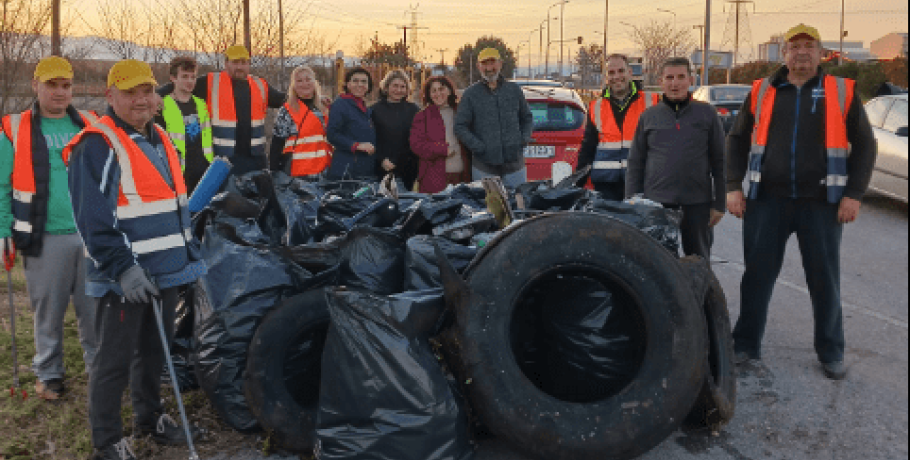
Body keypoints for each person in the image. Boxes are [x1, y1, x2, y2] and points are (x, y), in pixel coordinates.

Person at [65, 59, 206, 459]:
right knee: (114, 360)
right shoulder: (98, 144)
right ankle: (107, 441)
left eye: (146, 91)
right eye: (130, 93)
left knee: (154, 351)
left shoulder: (159, 137)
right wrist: (124, 269)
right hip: (125, 278)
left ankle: (151, 418)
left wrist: (186, 259)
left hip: (164, 272)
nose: (141, 100)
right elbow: (92, 220)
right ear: (110, 96)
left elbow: (172, 206)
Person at [726, 24, 877, 380]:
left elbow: (867, 146)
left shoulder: (840, 91)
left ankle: (831, 350)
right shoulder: (762, 90)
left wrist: (853, 194)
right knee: (757, 277)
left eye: (809, 46)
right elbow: (736, 139)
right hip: (767, 201)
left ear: (821, 53)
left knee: (824, 280)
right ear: (784, 54)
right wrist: (733, 186)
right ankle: (746, 344)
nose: (801, 53)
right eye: (794, 47)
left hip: (822, 203)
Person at [0, 56, 98, 401]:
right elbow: (1, 185)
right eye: (52, 85)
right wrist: (3, 231)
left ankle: (98, 371)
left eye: (66, 85)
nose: (59, 92)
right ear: (35, 85)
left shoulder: (90, 122)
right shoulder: (14, 127)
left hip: (89, 235)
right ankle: (49, 374)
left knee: (94, 309)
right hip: (45, 237)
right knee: (48, 311)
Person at [626, 57, 726, 260]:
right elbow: (636, 162)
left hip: (697, 204)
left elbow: (720, 160)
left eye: (681, 77)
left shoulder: (707, 114)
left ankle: (699, 294)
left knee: (699, 263)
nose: (675, 83)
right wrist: (632, 201)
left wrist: (719, 203)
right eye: (669, 77)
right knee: (657, 264)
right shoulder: (649, 116)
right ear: (661, 81)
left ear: (690, 80)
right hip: (657, 204)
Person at [157, 45, 285, 177]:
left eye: (244, 62)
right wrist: (157, 95)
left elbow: (284, 100)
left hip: (257, 160)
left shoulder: (260, 85)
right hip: (224, 161)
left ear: (249, 64)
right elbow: (180, 84)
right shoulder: (211, 81)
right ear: (226, 63)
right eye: (235, 62)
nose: (240, 67)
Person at [577, 54, 660, 201]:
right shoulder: (596, 107)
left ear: (630, 72)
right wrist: (578, 184)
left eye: (621, 71)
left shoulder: (652, 101)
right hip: (605, 185)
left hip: (641, 182)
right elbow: (588, 148)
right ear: (605, 77)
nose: (617, 76)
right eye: (611, 73)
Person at [455, 47, 534, 188]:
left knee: (519, 205)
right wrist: (479, 147)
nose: (489, 68)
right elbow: (460, 126)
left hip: (515, 167)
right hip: (484, 168)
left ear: (500, 64)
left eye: (492, 63)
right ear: (479, 66)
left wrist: (523, 139)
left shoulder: (514, 90)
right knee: (486, 208)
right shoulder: (470, 94)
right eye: (485, 64)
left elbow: (527, 118)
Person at [155, 56, 213, 194]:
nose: (190, 81)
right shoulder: (162, 105)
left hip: (204, 170)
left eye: (193, 77)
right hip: (179, 172)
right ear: (173, 78)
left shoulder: (201, 104)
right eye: (185, 77)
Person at [411, 76, 472, 193]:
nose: (438, 93)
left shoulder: (461, 111)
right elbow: (416, 145)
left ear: (449, 90)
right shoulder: (422, 116)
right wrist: (442, 150)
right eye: (433, 91)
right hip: (434, 180)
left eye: (441, 89)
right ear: (429, 95)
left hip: (462, 177)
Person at [269, 65, 332, 178]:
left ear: (315, 82)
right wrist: (274, 173)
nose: (304, 83)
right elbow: (277, 143)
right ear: (293, 85)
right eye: (299, 80)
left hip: (325, 173)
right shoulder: (287, 110)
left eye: (308, 79)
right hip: (298, 175)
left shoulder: (324, 107)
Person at [325, 67, 377, 181]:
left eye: (364, 81)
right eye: (355, 81)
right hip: (346, 170)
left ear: (368, 86)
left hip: (364, 168)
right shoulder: (340, 105)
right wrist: (356, 145)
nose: (360, 84)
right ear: (348, 84)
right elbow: (332, 134)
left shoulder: (365, 108)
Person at [371, 70, 421, 189]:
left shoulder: (414, 110)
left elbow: (415, 139)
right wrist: (381, 159)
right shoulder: (374, 110)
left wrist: (397, 160)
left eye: (402, 87)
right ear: (386, 87)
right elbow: (371, 138)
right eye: (395, 86)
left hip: (407, 169)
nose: (399, 90)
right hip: (381, 167)